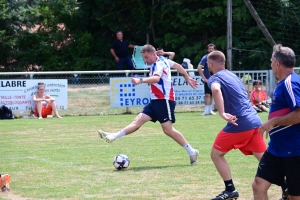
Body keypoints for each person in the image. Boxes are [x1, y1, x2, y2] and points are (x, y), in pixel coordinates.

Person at [98, 44, 199, 165]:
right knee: (138, 120)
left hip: (164, 100)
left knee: (168, 130)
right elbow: (177, 66)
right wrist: (187, 78)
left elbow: (156, 79)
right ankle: (114, 135)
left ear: (153, 54)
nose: (145, 60)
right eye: (143, 58)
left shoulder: (159, 63)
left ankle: (192, 152)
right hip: (155, 101)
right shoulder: (162, 60)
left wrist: (140, 80)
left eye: (146, 57)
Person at [207, 50, 266, 200]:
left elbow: (215, 89)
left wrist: (221, 112)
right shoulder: (232, 75)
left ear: (211, 64)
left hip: (240, 122)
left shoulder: (214, 77)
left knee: (216, 154)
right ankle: (287, 187)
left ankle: (230, 189)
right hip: (255, 121)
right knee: (265, 159)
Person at [252, 44, 300, 200]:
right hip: (276, 149)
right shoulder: (283, 83)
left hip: (294, 150)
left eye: (271, 61)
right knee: (259, 185)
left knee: (294, 196)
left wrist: (273, 122)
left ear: (278, 64)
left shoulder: (290, 83)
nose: (270, 64)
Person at [197, 43, 216, 115]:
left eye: (212, 48)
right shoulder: (205, 58)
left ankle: (210, 110)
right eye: (210, 49)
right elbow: (199, 68)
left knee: (212, 94)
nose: (211, 50)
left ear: (214, 49)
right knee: (207, 94)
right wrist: (204, 78)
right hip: (208, 79)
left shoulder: (217, 58)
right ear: (208, 50)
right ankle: (206, 110)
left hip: (215, 79)